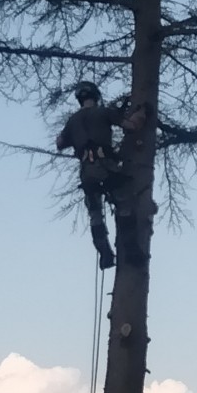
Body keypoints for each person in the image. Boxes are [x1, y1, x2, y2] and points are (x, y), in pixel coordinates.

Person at [56, 81, 146, 269]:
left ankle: (105, 254)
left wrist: (77, 136)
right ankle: (131, 250)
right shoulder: (104, 112)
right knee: (124, 203)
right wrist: (141, 113)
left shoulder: (73, 120)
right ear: (96, 96)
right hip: (106, 166)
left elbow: (60, 143)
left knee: (95, 213)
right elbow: (130, 126)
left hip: (86, 172)